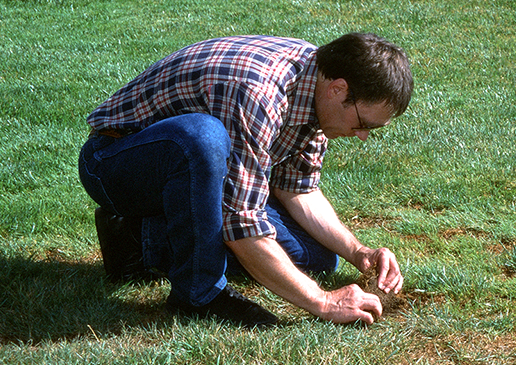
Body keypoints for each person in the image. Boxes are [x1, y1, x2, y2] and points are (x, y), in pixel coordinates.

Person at [77, 33, 411, 328]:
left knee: (317, 255)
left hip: (187, 178)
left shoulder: (318, 86)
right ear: (338, 89)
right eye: (364, 123)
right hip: (113, 162)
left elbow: (298, 190)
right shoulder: (259, 93)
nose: (363, 135)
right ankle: (199, 293)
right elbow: (242, 225)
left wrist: (359, 252)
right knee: (204, 138)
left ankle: (139, 240)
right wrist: (324, 302)